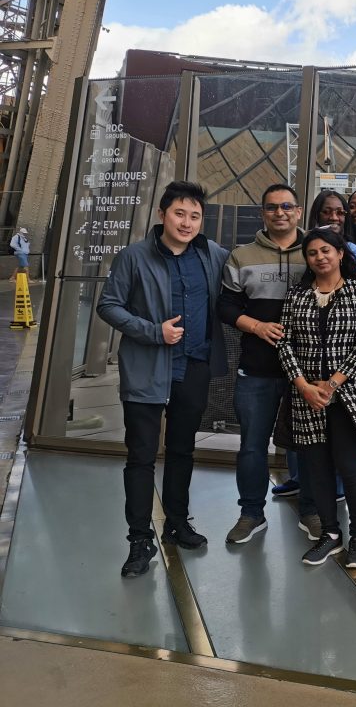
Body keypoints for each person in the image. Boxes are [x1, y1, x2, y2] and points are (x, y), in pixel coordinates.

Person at [97, 181, 228, 578]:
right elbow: (108, 305)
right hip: (146, 369)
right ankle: (139, 540)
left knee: (183, 450)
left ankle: (176, 523)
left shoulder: (212, 255)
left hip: (194, 368)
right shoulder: (133, 257)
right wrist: (154, 331)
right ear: (161, 215)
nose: (187, 223)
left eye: (195, 216)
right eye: (179, 214)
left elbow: (247, 278)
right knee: (140, 457)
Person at [277, 228, 356, 567]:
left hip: (346, 394)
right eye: (312, 253)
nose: (320, 257)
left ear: (339, 254)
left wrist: (331, 385)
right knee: (316, 468)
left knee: (349, 466)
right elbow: (284, 343)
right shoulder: (297, 295)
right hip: (307, 396)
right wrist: (304, 385)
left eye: (326, 251)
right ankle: (331, 534)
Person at [218, 184, 306, 545]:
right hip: (256, 368)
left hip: (305, 369)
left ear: (298, 212)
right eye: (272, 207)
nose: (280, 212)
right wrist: (255, 326)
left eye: (287, 206)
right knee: (253, 445)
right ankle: (251, 512)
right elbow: (226, 306)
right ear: (263, 214)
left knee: (307, 443)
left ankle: (311, 509)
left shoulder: (315, 252)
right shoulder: (242, 256)